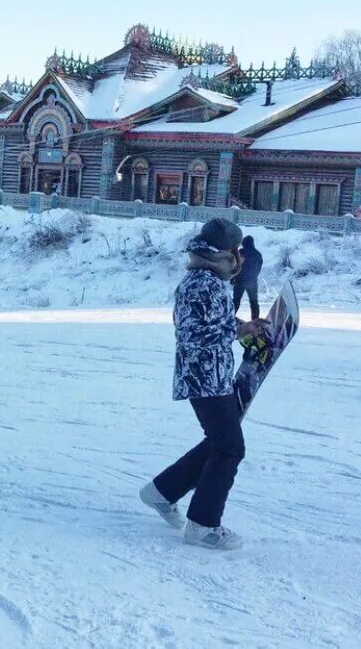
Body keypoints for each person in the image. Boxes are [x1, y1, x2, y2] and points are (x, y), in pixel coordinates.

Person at [139, 219, 267, 551]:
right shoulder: (202, 284)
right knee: (229, 448)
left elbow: (215, 322)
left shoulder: (207, 280)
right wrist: (237, 332)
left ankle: (162, 492)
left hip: (213, 374)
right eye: (236, 252)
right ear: (227, 253)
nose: (240, 259)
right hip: (203, 377)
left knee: (218, 443)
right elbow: (193, 335)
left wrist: (245, 326)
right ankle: (203, 524)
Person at [233, 235, 262, 320]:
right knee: (254, 303)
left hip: (240, 281)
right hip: (252, 282)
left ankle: (229, 318)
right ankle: (255, 320)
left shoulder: (241, 252)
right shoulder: (258, 254)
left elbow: (235, 265)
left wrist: (233, 277)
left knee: (236, 302)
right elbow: (258, 268)